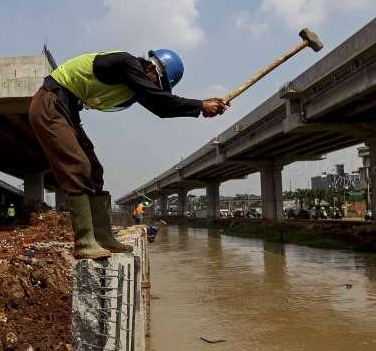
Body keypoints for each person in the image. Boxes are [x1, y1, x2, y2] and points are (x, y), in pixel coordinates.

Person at [29, 49, 228, 259]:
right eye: (158, 83)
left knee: (94, 171)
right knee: (78, 166)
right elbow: (160, 100)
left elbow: (161, 107)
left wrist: (200, 106)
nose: (156, 88)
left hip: (67, 109)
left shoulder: (133, 85)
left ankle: (103, 236)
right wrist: (200, 106)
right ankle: (84, 242)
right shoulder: (127, 64)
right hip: (51, 102)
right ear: (152, 69)